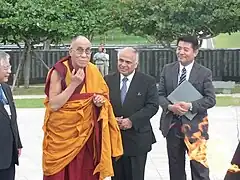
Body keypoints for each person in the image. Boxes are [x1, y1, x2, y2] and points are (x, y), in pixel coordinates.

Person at [42, 36, 123, 180]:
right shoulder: (59, 71)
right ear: (70, 51)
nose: (84, 55)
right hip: (62, 138)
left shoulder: (93, 71)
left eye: (88, 51)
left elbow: (103, 97)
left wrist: (100, 102)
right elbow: (53, 105)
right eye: (79, 50)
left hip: (86, 138)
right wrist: (73, 84)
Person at [158, 35, 216, 180]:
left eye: (185, 49)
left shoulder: (204, 73)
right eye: (179, 48)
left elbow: (211, 99)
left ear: (195, 52)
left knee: (199, 169)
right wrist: (170, 107)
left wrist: (191, 105)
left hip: (196, 128)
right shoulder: (168, 69)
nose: (181, 52)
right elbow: (159, 95)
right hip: (173, 126)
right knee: (175, 170)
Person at [104, 47, 159, 180]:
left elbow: (152, 106)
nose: (123, 64)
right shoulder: (107, 80)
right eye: (121, 60)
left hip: (138, 140)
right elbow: (103, 105)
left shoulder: (147, 81)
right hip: (115, 139)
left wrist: (132, 121)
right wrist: (111, 119)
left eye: (128, 62)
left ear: (136, 64)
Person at [0, 51, 22, 180]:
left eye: (10, 67)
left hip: (9, 154)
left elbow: (12, 119)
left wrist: (17, 143)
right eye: (6, 67)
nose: (9, 71)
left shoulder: (6, 89)